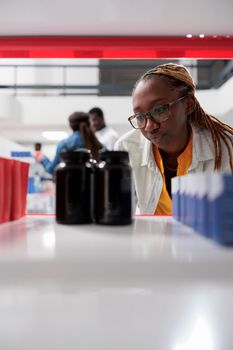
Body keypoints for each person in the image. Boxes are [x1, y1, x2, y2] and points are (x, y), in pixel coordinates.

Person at [114, 63, 233, 215]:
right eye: (140, 116)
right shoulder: (127, 148)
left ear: (188, 105)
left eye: (160, 110)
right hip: (150, 237)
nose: (150, 126)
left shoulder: (226, 148)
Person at [38, 111, 102, 175]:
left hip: (69, 183)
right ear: (89, 123)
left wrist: (43, 159)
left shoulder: (64, 144)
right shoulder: (97, 144)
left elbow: (52, 169)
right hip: (93, 183)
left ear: (71, 125)